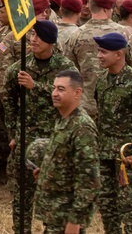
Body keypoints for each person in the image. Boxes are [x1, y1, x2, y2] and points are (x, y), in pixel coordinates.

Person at [4, 20, 75, 234]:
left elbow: (70, 101)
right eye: (32, 35)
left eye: (38, 36)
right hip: (27, 137)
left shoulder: (66, 69)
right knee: (22, 195)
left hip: (56, 138)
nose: (33, 40)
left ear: (51, 41)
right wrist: (14, 133)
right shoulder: (19, 69)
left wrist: (37, 87)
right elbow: (9, 103)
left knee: (55, 193)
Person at [93, 32, 132, 234]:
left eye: (103, 52)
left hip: (126, 156)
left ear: (119, 54)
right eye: (99, 52)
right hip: (105, 153)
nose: (99, 56)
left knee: (129, 208)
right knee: (106, 205)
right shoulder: (102, 80)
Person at [34, 70, 100, 234]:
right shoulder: (64, 119)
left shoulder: (82, 127)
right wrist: (48, 173)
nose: (54, 93)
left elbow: (89, 180)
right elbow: (67, 161)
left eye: (61, 89)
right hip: (56, 213)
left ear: (77, 93)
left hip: (67, 217)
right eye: (54, 88)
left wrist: (74, 222)